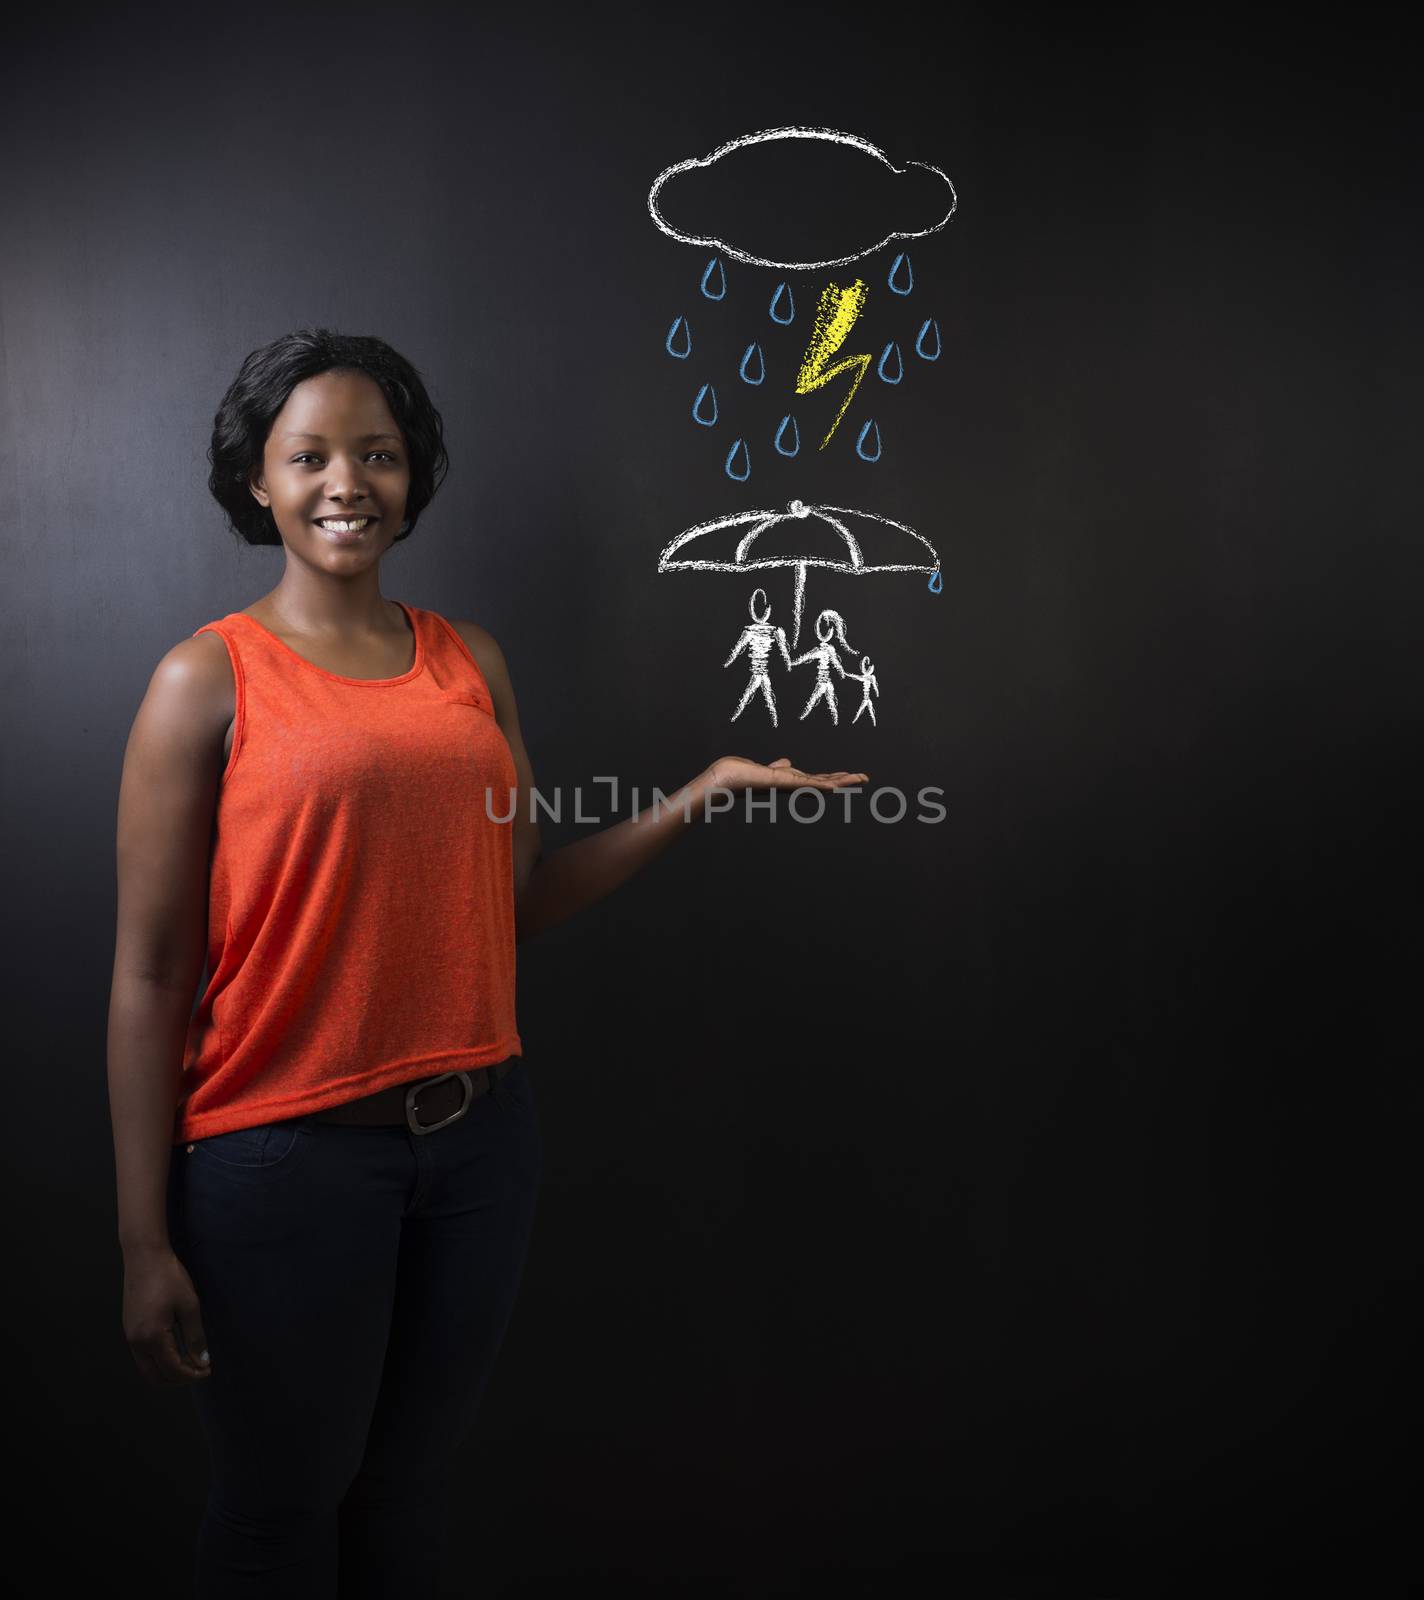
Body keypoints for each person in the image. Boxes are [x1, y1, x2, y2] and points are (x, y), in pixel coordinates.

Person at [107, 327, 868, 1599]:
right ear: (258, 480)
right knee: (279, 1511)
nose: (347, 480)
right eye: (310, 456)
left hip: (477, 1146)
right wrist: (143, 1239)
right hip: (285, 1157)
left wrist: (699, 794)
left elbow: (508, 904)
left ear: (412, 477)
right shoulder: (206, 680)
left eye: (379, 454)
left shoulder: (471, 661)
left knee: (404, 1499)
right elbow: (146, 977)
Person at [724, 586, 793, 727]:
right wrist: (787, 662)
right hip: (759, 671)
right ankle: (772, 720)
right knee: (758, 696)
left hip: (760, 671)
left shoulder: (765, 632)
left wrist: (728, 662)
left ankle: (772, 720)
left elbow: (737, 650)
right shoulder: (755, 632)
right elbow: (737, 650)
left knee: (756, 696)